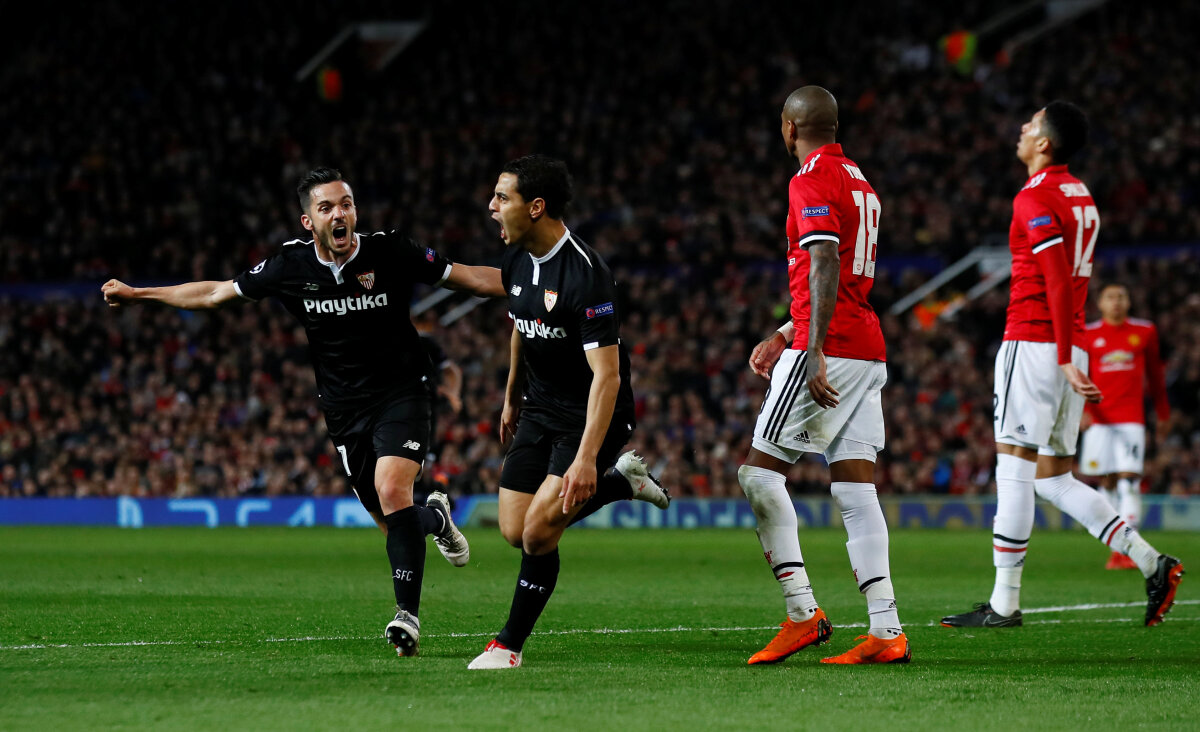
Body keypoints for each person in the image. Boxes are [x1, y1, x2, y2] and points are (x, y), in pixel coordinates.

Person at [101, 167, 506, 658]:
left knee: (392, 489)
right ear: (307, 221)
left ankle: (407, 619)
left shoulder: (389, 250)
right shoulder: (289, 267)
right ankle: (436, 518)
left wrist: (533, 283)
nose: (341, 214)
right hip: (343, 410)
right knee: (394, 521)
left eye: (347, 204)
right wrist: (139, 294)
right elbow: (214, 294)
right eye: (327, 207)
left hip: (404, 392)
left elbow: (469, 279)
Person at [941, 103, 1184, 629]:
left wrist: (1062, 353)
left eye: (1030, 125)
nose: (1022, 130)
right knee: (1052, 478)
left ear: (1045, 143)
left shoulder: (1035, 196)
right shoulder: (1080, 194)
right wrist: (1073, 352)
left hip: (1036, 345)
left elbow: (1054, 276)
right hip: (1065, 347)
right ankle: (1151, 562)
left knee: (1014, 467)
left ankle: (1004, 604)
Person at [466, 154, 669, 670]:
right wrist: (512, 396)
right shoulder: (515, 258)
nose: (491, 207)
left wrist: (585, 458)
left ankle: (508, 645)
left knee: (538, 532)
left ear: (535, 207)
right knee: (514, 530)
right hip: (539, 408)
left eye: (501, 197)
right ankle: (623, 484)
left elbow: (608, 375)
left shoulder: (586, 273)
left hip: (592, 416)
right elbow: (520, 321)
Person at [739, 86, 909, 666]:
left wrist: (808, 349)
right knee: (856, 490)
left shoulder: (808, 179)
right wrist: (785, 334)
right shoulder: (860, 181)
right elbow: (844, 276)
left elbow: (825, 260)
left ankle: (802, 614)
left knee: (759, 477)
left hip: (831, 346)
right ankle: (886, 632)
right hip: (865, 346)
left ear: (790, 127)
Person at [1079, 283, 1170, 569]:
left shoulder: (1144, 332)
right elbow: (1079, 376)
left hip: (1131, 418)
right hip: (1098, 420)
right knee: (1106, 482)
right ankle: (1118, 546)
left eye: (1121, 296)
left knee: (1129, 480)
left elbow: (1155, 375)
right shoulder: (1089, 334)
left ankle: (1129, 548)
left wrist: (1163, 413)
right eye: (1110, 297)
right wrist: (1079, 412)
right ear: (1101, 304)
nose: (1116, 302)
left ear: (1129, 302)